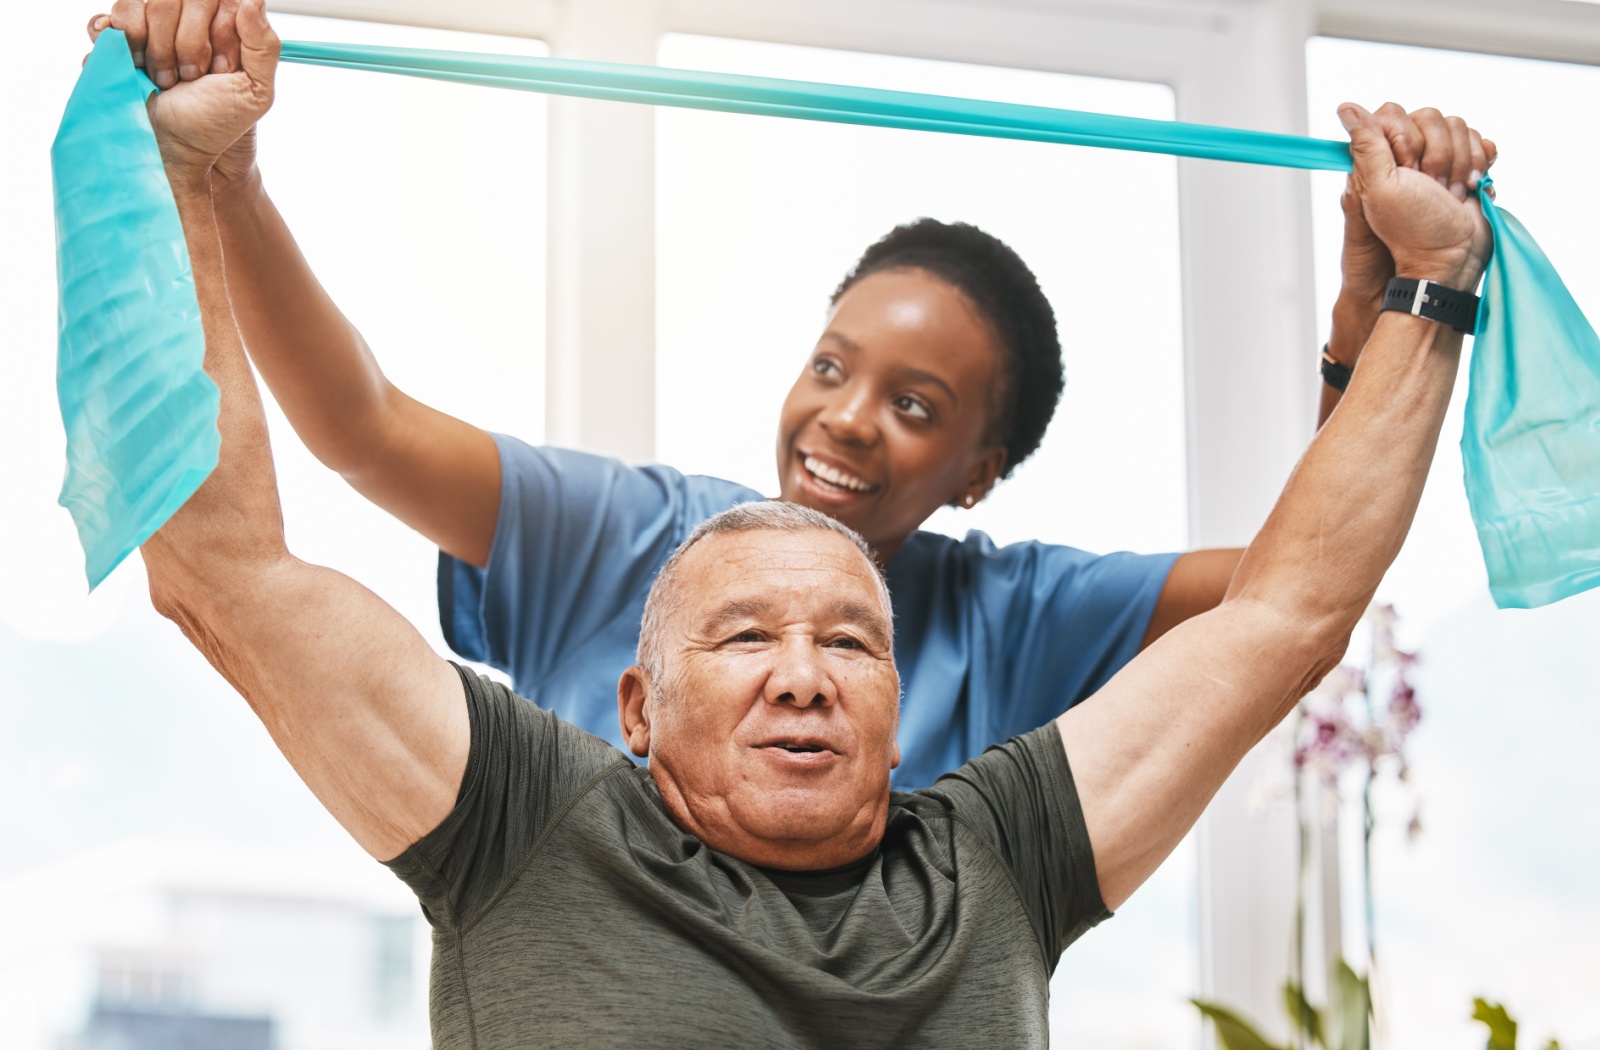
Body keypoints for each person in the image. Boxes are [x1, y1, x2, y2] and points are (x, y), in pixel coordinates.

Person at [121, 4, 1492, 1044]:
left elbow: (1285, 609)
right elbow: (227, 570)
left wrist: (1424, 290)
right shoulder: (531, 811)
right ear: (637, 706)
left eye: (851, 641)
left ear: (904, 706)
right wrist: (202, 182)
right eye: (743, 636)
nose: (802, 670)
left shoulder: (995, 842)